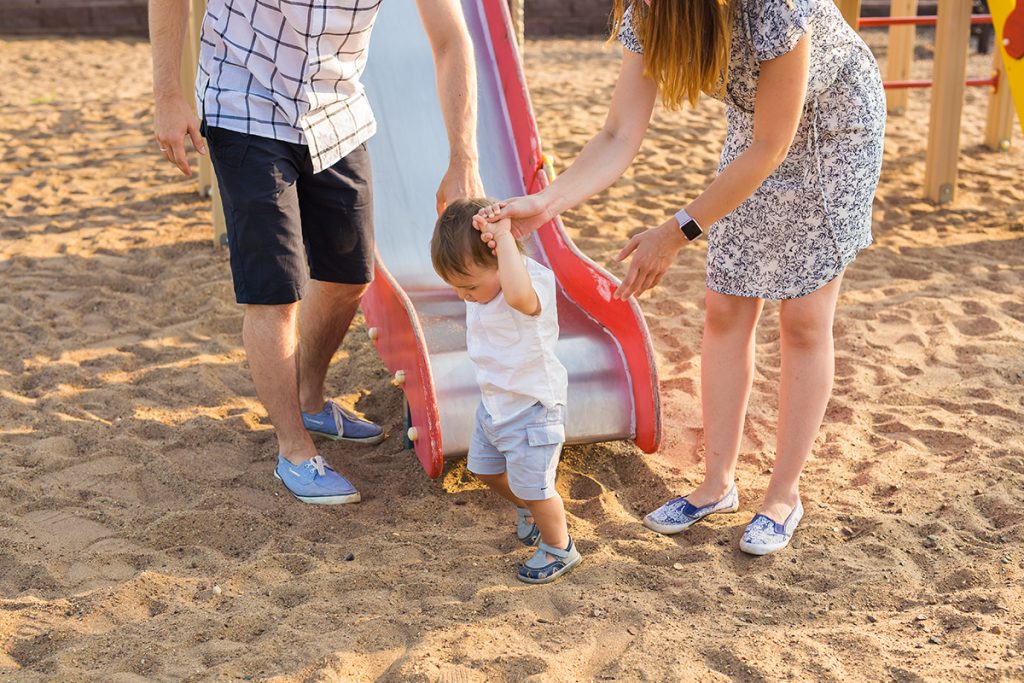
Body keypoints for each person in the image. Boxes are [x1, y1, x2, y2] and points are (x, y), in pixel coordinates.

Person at [477, 0, 886, 555]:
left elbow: (773, 146)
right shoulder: (648, 11)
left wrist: (675, 232)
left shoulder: (773, 9)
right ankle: (717, 485)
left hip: (836, 128)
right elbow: (620, 133)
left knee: (805, 321)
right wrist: (547, 203)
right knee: (726, 308)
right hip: (758, 128)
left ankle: (783, 495)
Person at [149, 0, 484, 504]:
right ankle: (294, 450)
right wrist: (168, 94)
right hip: (244, 105)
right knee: (275, 293)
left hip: (337, 111)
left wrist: (463, 157)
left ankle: (309, 400)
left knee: (351, 275)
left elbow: (451, 40)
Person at [431, 199, 580, 584]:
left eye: (469, 286)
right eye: (456, 288)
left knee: (538, 487)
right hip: (496, 403)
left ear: (502, 259)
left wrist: (502, 236)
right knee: (483, 469)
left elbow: (517, 297)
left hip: (532, 408)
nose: (463, 295)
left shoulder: (530, 284)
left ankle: (559, 547)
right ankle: (528, 508)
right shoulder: (484, 286)